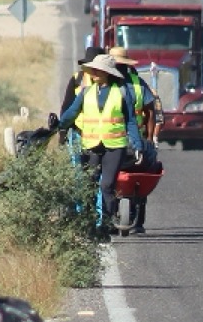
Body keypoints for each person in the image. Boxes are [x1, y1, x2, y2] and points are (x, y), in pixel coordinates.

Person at [55, 54, 147, 235]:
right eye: (93, 69)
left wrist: (137, 145)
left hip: (115, 146)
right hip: (91, 146)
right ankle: (89, 225)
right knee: (89, 184)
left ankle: (105, 223)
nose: (94, 72)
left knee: (106, 185)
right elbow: (72, 112)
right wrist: (57, 126)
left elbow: (130, 121)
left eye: (98, 69)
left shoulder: (121, 92)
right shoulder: (86, 92)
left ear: (107, 73)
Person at [109, 46, 163, 234]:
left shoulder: (125, 85)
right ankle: (137, 221)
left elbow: (150, 113)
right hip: (131, 140)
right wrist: (149, 139)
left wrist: (148, 138)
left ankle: (127, 218)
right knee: (144, 172)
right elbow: (150, 113)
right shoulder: (138, 84)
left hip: (123, 140)